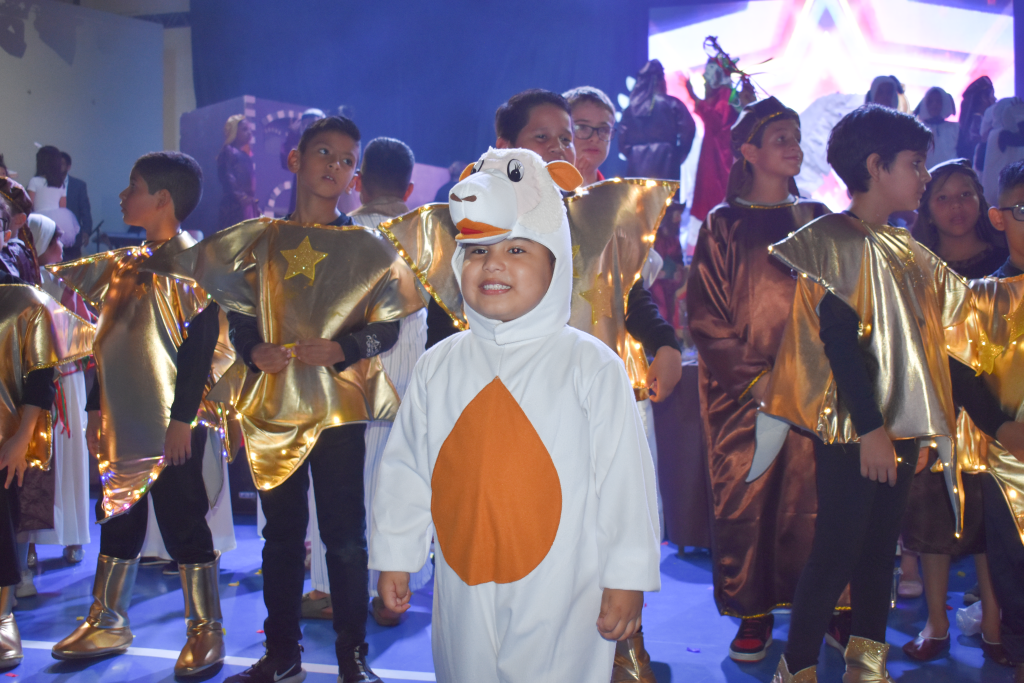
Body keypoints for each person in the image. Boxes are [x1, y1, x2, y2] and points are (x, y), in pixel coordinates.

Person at [370, 146, 661, 682]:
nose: (494, 264)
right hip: (461, 578)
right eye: (477, 251)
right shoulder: (440, 365)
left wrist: (627, 576)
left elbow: (624, 479)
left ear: (557, 261)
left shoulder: (589, 364)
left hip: (565, 582)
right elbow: (408, 469)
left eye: (518, 249)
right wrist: (397, 553)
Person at [758, 104, 1024, 683]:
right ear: (876, 167)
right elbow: (839, 343)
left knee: (880, 548)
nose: (925, 176)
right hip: (858, 431)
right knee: (836, 551)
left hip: (896, 432)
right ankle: (798, 666)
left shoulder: (905, 249)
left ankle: (866, 659)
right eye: (915, 164)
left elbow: (947, 336)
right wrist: (872, 430)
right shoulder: (837, 238)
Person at [158, 116, 425, 683]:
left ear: (354, 176)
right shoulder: (262, 239)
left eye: (346, 159)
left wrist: (344, 347)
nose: (333, 165)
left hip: (339, 412)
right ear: (296, 159)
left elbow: (390, 328)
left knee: (344, 538)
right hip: (273, 409)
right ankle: (283, 655)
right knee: (280, 537)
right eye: (323, 153)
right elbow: (241, 312)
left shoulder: (367, 246)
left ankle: (354, 657)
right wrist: (253, 351)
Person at [47, 152, 227, 678]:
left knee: (183, 520)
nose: (124, 196)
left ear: (163, 200)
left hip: (169, 425)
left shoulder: (193, 265)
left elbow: (199, 351)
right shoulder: (126, 265)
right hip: (123, 427)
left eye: (134, 187)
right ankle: (106, 617)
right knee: (118, 517)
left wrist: (181, 421)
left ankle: (206, 627)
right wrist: (98, 408)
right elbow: (108, 340)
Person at [687, 97, 838, 664]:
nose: (793, 143)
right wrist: (759, 383)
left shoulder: (819, 218)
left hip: (819, 386)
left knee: (822, 494)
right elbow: (706, 317)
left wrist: (824, 374)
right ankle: (752, 610)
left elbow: (845, 300)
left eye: (796, 134)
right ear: (748, 151)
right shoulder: (725, 225)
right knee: (748, 495)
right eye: (780, 135)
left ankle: (833, 605)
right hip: (746, 394)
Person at [303, 136, 432, 627]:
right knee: (397, 474)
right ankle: (393, 589)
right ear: (410, 185)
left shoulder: (340, 230)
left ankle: (330, 589)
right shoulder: (425, 232)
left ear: (357, 183)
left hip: (346, 369)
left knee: (336, 481)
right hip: (407, 369)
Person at [900, 158, 1010, 664]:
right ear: (927, 205)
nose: (956, 207)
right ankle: (936, 621)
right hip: (935, 408)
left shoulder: (1006, 259)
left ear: (984, 202)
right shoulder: (916, 263)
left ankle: (994, 617)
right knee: (931, 517)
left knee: (993, 521)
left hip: (994, 410)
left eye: (966, 194)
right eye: (943, 196)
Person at [0, 184, 95, 672]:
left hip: (23, 416)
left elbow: (41, 366)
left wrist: (23, 432)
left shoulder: (21, 291)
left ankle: (5, 607)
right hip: (40, 405)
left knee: (13, 505)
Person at [968, 159, 1024, 683]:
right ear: (1000, 216)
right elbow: (963, 379)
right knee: (1011, 559)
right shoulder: (984, 295)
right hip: (1010, 454)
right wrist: (1002, 429)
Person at [22, 215, 92, 566]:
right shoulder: (23, 284)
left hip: (66, 379)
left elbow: (88, 332)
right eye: (55, 240)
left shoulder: (67, 282)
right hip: (34, 384)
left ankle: (74, 536)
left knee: (70, 454)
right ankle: (29, 543)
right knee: (37, 459)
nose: (61, 247)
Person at [618, 60, 695, 181]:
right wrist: (679, 153)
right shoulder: (673, 104)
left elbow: (622, 140)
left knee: (638, 198)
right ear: (660, 81)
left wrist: (633, 154)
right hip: (667, 161)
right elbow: (689, 129)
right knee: (665, 198)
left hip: (637, 163)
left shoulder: (630, 109)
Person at [27, 146, 80, 249]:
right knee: (53, 248)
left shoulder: (35, 181)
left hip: (39, 221)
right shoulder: (60, 184)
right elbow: (62, 207)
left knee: (39, 248)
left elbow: (29, 204)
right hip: (57, 221)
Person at [564, 86, 618, 186]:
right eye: (582, 127)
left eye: (603, 129)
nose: (595, 138)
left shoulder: (617, 197)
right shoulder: (535, 188)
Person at [217, 114, 260, 229]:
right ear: (234, 131)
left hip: (247, 205)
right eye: (244, 129)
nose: (249, 133)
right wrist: (241, 198)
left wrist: (252, 203)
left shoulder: (246, 156)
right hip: (234, 206)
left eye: (249, 129)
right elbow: (227, 176)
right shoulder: (228, 152)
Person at [59, 152, 93, 259]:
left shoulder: (78, 185)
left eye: (62, 164)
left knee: (72, 269)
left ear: (68, 166)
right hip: (53, 234)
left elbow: (85, 209)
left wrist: (86, 231)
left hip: (73, 236)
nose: (59, 166)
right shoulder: (46, 183)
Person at [915, 88, 959, 168]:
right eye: (930, 101)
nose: (934, 105)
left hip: (950, 175)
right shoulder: (917, 129)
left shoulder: (955, 128)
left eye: (938, 101)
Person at [958, 76, 997, 162]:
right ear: (983, 98)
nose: (995, 99)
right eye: (992, 95)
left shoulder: (974, 121)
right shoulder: (977, 122)